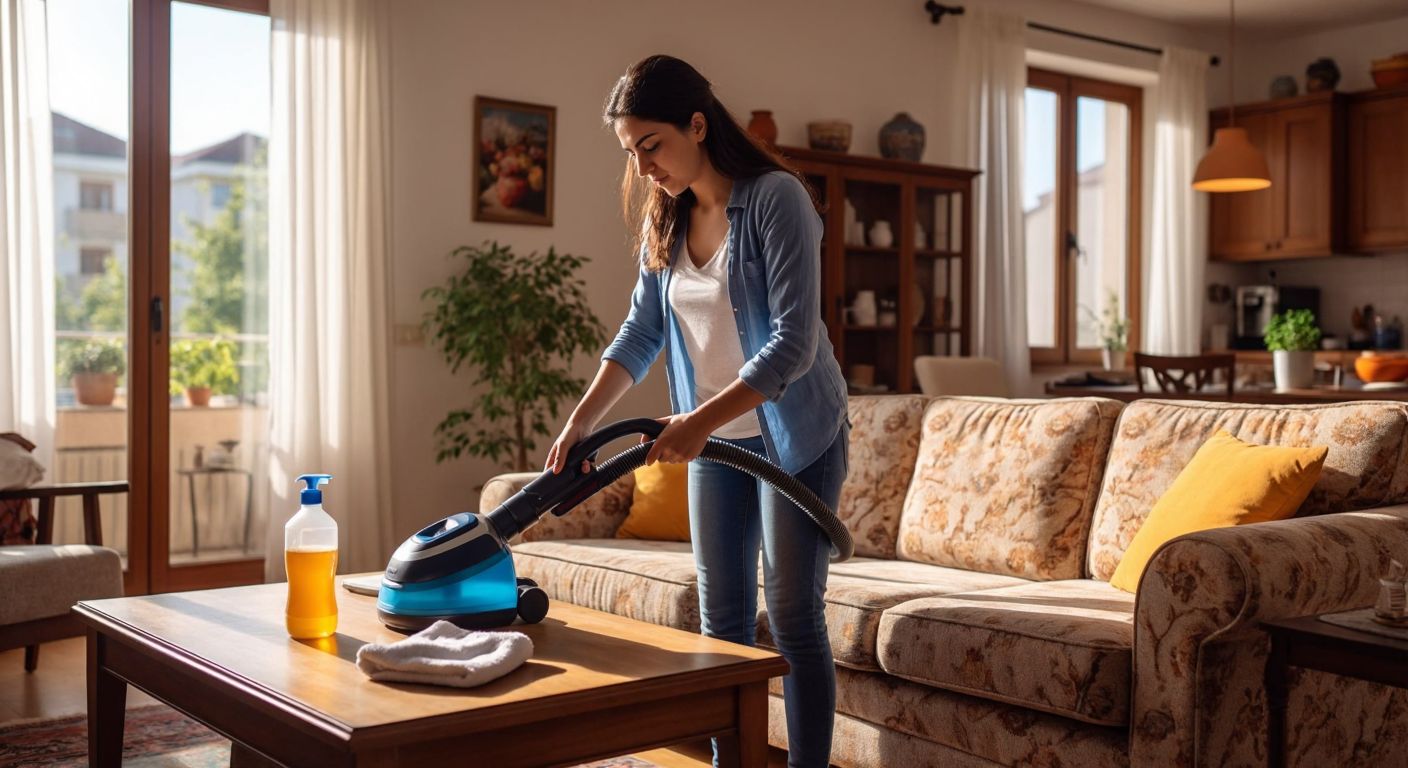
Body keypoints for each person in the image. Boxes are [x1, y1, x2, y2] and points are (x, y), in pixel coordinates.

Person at [543, 55, 849, 768]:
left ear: (698, 124)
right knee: (722, 627)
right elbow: (642, 333)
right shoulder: (667, 214)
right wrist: (581, 419)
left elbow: (794, 345)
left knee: (796, 620)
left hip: (795, 436)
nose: (644, 167)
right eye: (631, 153)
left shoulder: (778, 200)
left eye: (652, 146)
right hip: (714, 444)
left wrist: (700, 421)